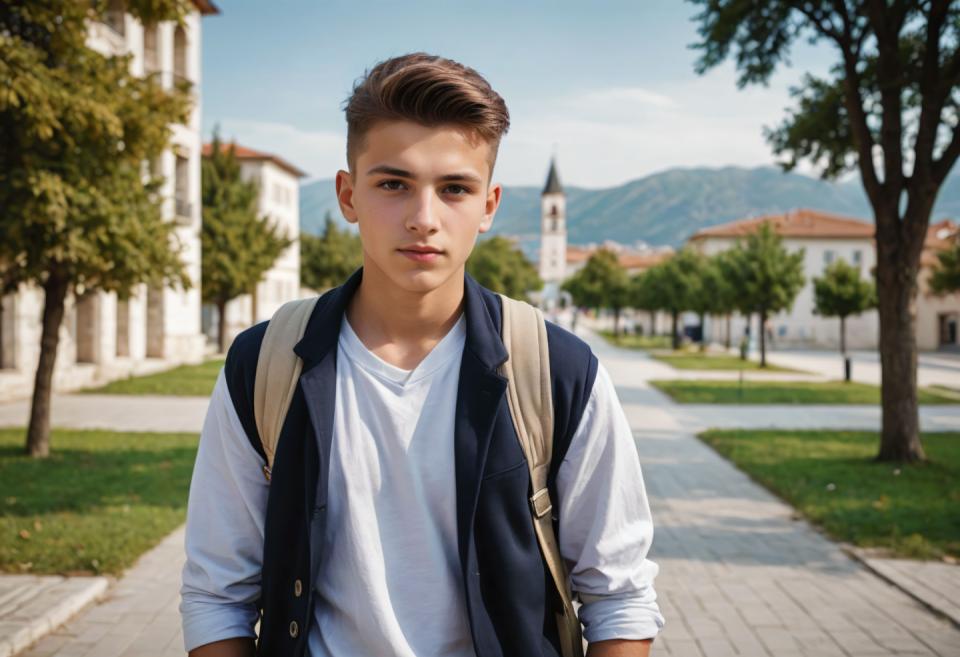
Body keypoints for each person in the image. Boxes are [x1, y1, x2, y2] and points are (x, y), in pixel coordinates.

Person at [180, 53, 664, 657]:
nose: (423, 218)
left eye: (454, 188)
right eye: (393, 184)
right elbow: (216, 596)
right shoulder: (265, 365)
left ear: (488, 207)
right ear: (348, 194)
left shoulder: (558, 372)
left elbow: (619, 598)